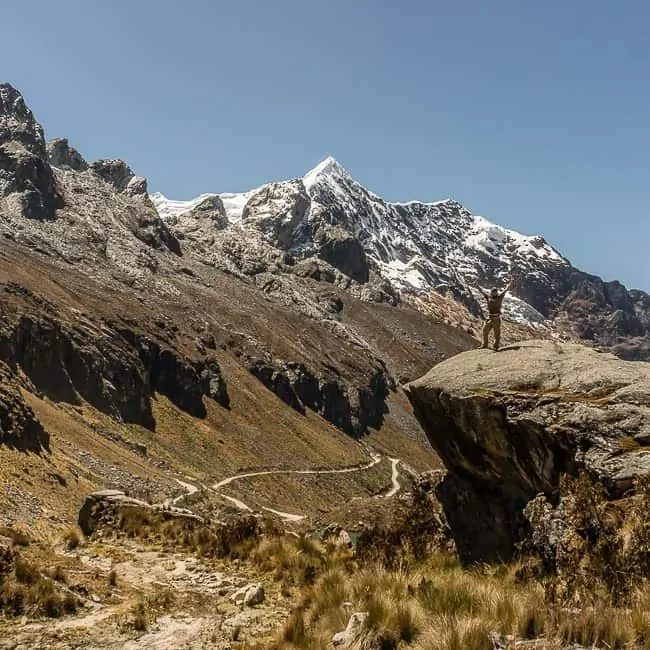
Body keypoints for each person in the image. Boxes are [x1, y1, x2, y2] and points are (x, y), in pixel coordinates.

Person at [478, 280, 512, 350]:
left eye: (495, 292)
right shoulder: (488, 297)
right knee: (485, 331)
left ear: (497, 292)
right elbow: (482, 291)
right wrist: (476, 285)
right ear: (491, 292)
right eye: (493, 292)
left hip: (496, 319)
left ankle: (496, 346)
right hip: (490, 318)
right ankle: (485, 344)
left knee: (497, 334)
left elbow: (506, 289)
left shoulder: (500, 297)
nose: (494, 293)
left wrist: (510, 282)